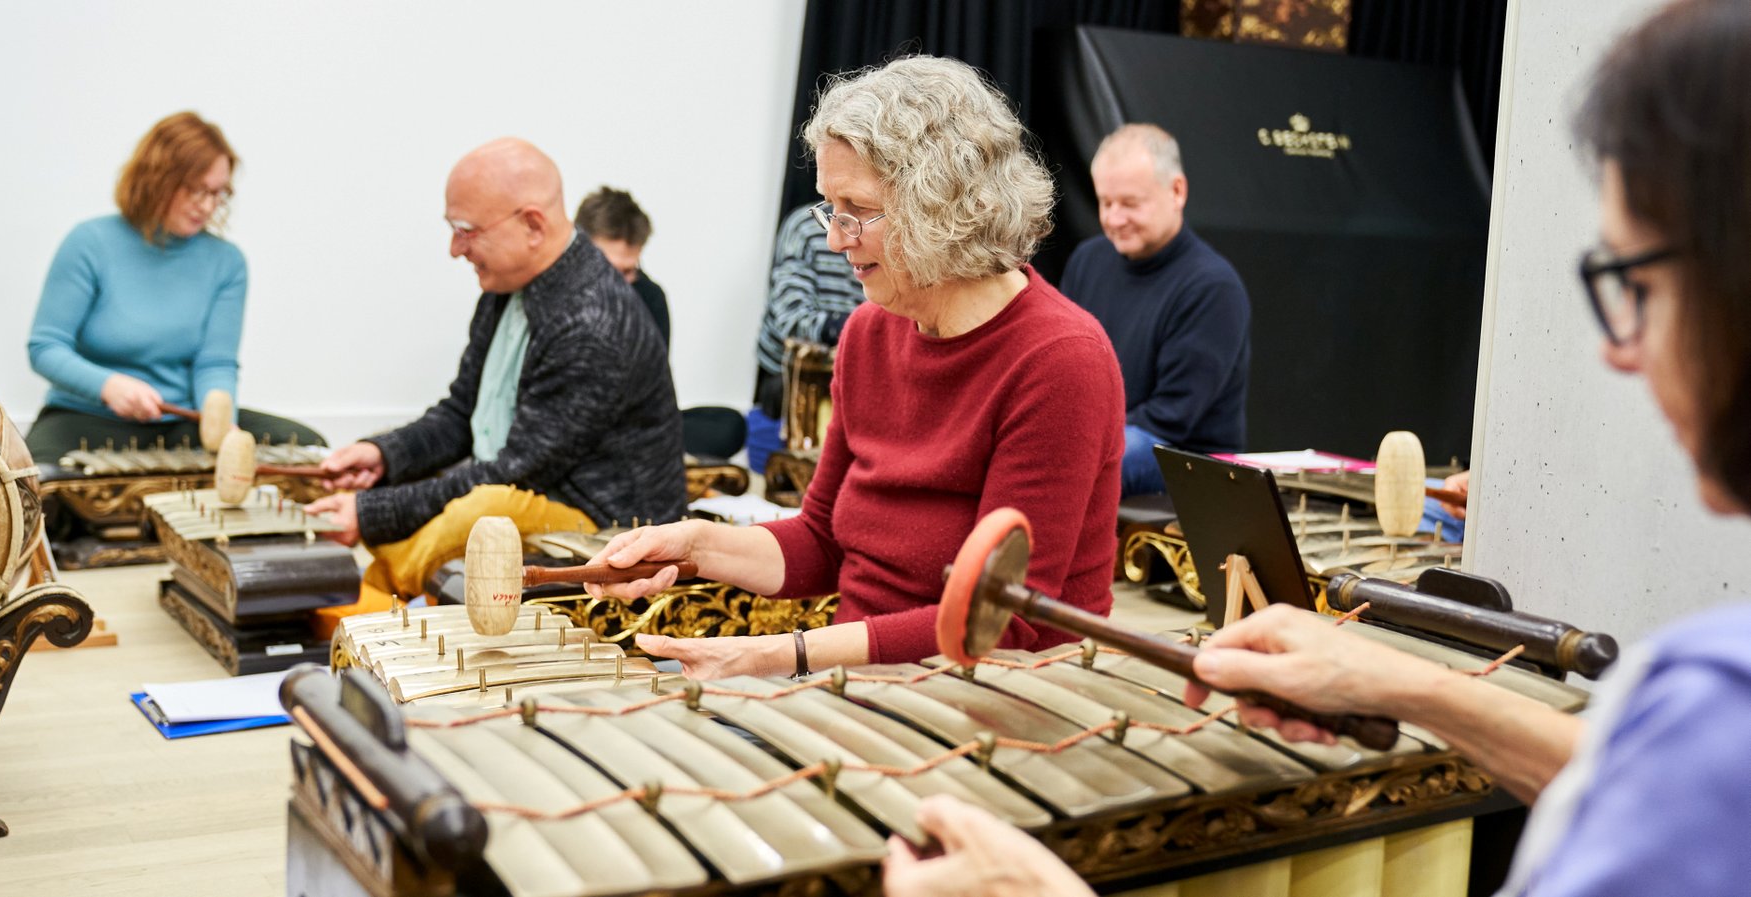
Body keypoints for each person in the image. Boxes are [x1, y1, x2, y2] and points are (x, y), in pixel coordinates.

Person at [883, 2, 1751, 895]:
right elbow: (1642, 790)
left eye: (1636, 281)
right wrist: (1403, 684)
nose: (1617, 350)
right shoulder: (1708, 691)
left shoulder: (1719, 696)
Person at [587, 56, 1125, 678]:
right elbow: (823, 539)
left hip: (997, 695)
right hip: (865, 687)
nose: (835, 239)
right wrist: (695, 545)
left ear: (941, 208)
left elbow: (1003, 621)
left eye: (856, 210)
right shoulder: (868, 333)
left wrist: (783, 655)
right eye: (830, 208)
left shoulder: (1060, 361)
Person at [306, 138, 686, 617]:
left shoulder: (591, 323)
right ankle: (366, 604)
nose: (454, 249)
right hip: (527, 487)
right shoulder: (506, 287)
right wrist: (385, 454)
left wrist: (369, 512)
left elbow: (514, 473)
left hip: (604, 525)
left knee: (480, 512)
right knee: (443, 495)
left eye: (466, 231)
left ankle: (370, 609)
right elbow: (461, 414)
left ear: (533, 225)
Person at [24, 111, 323, 464]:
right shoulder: (88, 243)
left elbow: (215, 363)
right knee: (37, 478)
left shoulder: (227, 262)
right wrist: (109, 387)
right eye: (196, 190)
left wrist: (220, 422)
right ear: (156, 179)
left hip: (181, 424)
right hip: (85, 418)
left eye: (217, 193)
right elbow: (46, 347)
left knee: (310, 447)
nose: (208, 205)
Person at [1061, 124, 1251, 496]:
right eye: (1105, 203)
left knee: (1067, 463)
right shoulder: (1087, 261)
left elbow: (1171, 419)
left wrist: (1079, 440)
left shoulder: (1212, 286)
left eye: (1130, 204)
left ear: (1177, 191)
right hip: (1105, 435)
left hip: (1185, 461)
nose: (1114, 219)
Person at [746, 203, 865, 472]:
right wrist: (856, 328)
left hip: (853, 369)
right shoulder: (805, 228)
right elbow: (792, 320)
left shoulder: (881, 230)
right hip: (792, 374)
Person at [575, 186, 669, 347]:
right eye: (607, 269)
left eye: (627, 272)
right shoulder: (548, 292)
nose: (617, 284)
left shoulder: (650, 300)